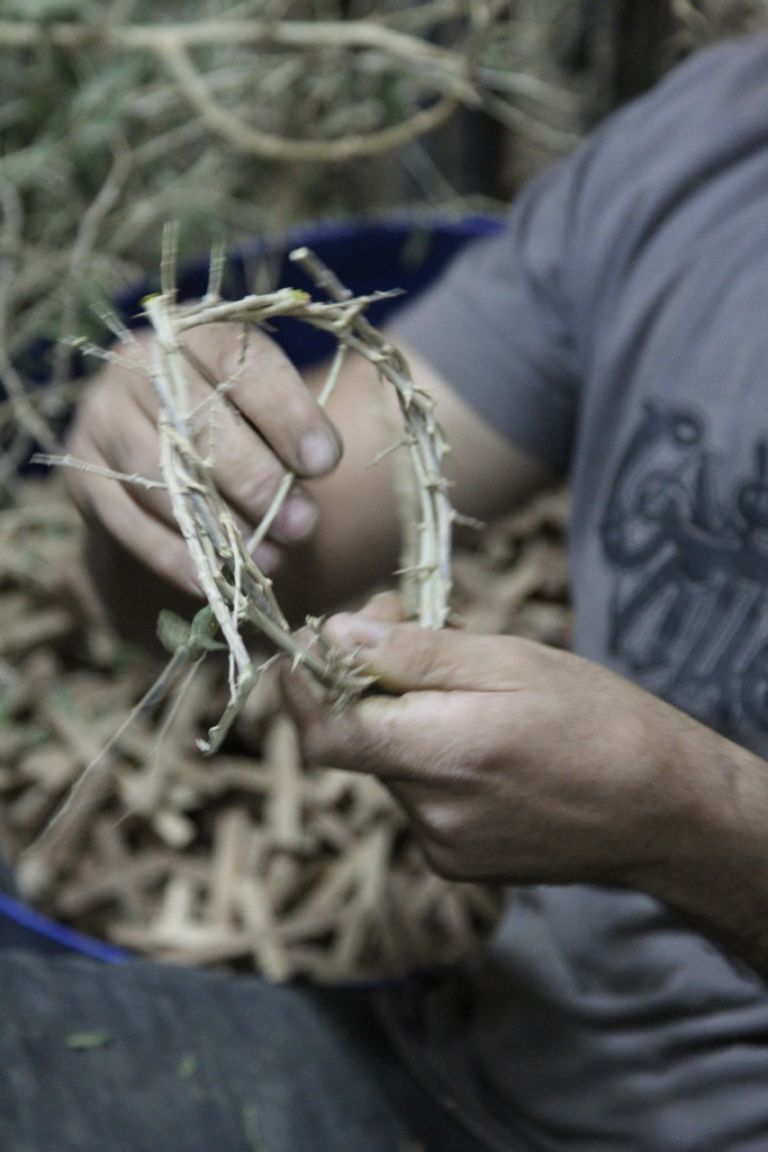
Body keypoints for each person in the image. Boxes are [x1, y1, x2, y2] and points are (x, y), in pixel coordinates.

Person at [5, 33, 768, 1151]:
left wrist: (690, 816)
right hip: (485, 1079)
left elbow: (685, 813)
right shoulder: (707, 144)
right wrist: (166, 468)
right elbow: (275, 556)